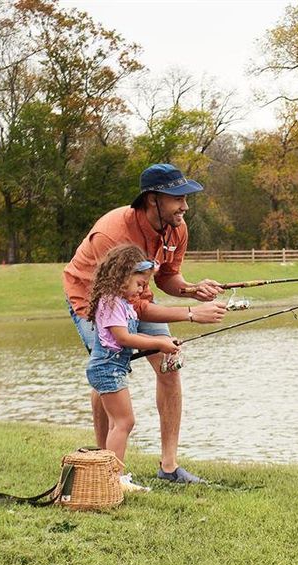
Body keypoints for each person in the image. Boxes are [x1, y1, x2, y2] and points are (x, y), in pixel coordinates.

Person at [63, 163, 226, 484]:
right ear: (153, 199)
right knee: (107, 371)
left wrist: (192, 290)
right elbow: (131, 307)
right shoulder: (113, 233)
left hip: (137, 296)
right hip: (93, 300)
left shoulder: (176, 228)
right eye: (178, 198)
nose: (185, 206)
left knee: (169, 362)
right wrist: (191, 314)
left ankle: (169, 467)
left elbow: (166, 277)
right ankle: (103, 462)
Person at [86, 245, 181, 493]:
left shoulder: (123, 303)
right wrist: (159, 342)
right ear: (123, 276)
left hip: (113, 367)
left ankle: (112, 477)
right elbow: (125, 338)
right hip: (107, 368)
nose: (143, 289)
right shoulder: (111, 303)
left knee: (123, 422)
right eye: (140, 283)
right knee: (123, 422)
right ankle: (113, 479)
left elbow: (130, 336)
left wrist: (165, 344)